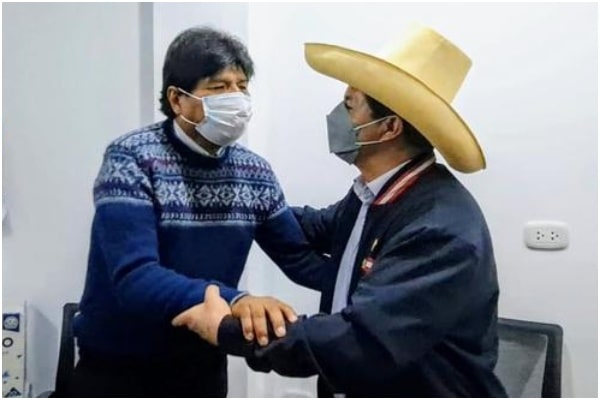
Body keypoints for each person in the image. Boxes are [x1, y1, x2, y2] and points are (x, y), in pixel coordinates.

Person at [173, 24, 509, 397]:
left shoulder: (438, 228)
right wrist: (240, 194)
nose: (336, 116)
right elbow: (313, 226)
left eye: (349, 106)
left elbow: (357, 342)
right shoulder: (375, 196)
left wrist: (227, 329)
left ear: (388, 127)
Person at [68, 26, 328, 397]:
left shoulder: (254, 171)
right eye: (219, 87)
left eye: (242, 86)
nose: (236, 98)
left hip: (202, 365)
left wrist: (376, 285)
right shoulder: (132, 158)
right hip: (118, 368)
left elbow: (298, 257)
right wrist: (237, 300)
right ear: (177, 99)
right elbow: (136, 277)